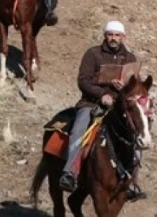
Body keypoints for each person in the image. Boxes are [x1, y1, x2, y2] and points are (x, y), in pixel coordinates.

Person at [59, 20, 144, 199]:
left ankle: (131, 181)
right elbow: (83, 80)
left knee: (137, 136)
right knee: (79, 131)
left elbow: (135, 88)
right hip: (92, 104)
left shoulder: (131, 59)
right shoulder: (93, 54)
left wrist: (123, 89)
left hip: (119, 108)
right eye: (110, 34)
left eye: (117, 35)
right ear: (105, 35)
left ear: (123, 37)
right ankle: (70, 173)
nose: (113, 38)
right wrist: (102, 94)